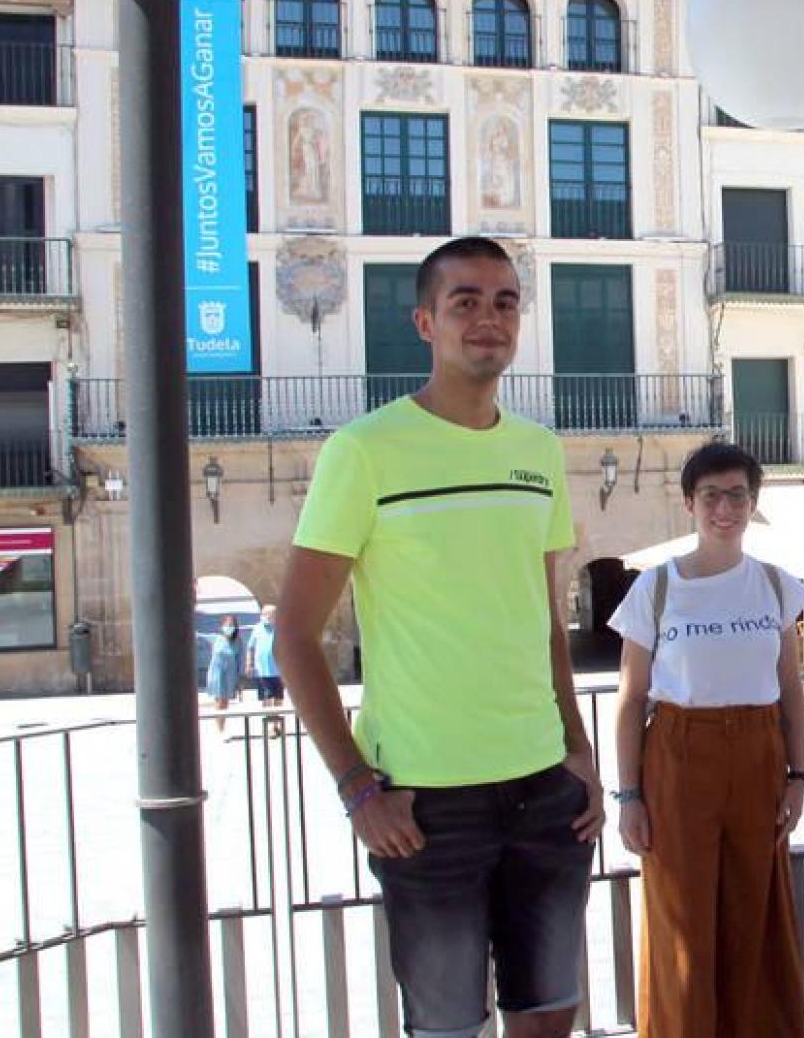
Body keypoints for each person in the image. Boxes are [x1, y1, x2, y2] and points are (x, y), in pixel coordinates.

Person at [274, 236, 603, 1038]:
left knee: (549, 1014)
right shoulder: (362, 452)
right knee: (448, 1027)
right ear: (425, 321)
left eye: (504, 301)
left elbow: (542, 612)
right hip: (425, 802)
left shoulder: (539, 453)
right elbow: (292, 635)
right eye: (465, 302)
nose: (487, 318)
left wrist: (580, 750)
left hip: (542, 787)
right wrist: (357, 788)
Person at [609, 442, 804, 1037]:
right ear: (689, 503)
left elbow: (790, 692)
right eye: (711, 496)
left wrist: (798, 777)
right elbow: (630, 696)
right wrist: (629, 797)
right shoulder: (656, 588)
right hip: (678, 751)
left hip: (758, 752)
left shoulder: (778, 586)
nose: (725, 508)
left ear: (754, 503)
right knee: (682, 920)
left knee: (756, 910)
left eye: (737, 495)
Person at [204, 615, 242, 730]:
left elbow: (239, 659)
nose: (229, 627)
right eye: (227, 625)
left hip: (230, 675)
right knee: (219, 701)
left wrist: (239, 677)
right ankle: (219, 728)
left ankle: (222, 725)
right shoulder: (216, 638)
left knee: (225, 702)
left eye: (232, 625)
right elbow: (197, 636)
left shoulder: (238, 642)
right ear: (222, 626)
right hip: (216, 674)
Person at [246, 604, 284, 706]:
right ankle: (268, 719)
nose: (267, 616)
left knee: (278, 698)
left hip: (278, 671)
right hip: (262, 671)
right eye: (265, 614)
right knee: (266, 698)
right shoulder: (257, 628)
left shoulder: (281, 629)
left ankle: (276, 721)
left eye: (271, 614)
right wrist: (249, 664)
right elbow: (250, 647)